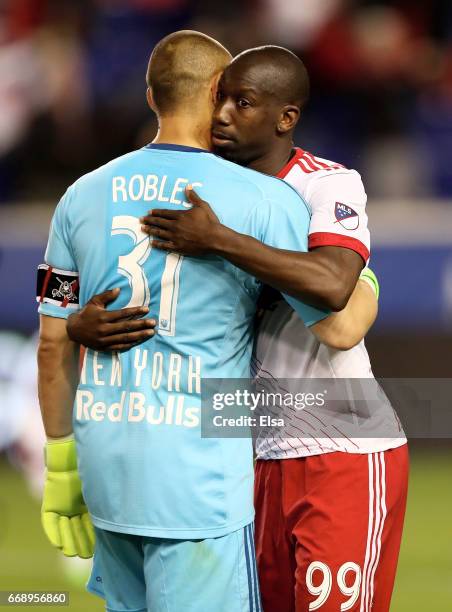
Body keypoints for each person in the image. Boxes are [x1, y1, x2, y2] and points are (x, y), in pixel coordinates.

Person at [35, 31, 341, 612]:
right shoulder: (262, 200)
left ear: (151, 97)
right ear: (218, 93)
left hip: (107, 472)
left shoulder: (79, 196)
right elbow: (336, 320)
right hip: (198, 484)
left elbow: (54, 345)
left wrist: (60, 467)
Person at [133, 47, 409, 611]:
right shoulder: (204, 188)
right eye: (220, 100)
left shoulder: (325, 184)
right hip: (249, 449)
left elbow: (335, 293)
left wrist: (220, 240)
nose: (224, 116)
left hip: (341, 442)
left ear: (286, 118)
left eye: (244, 102)